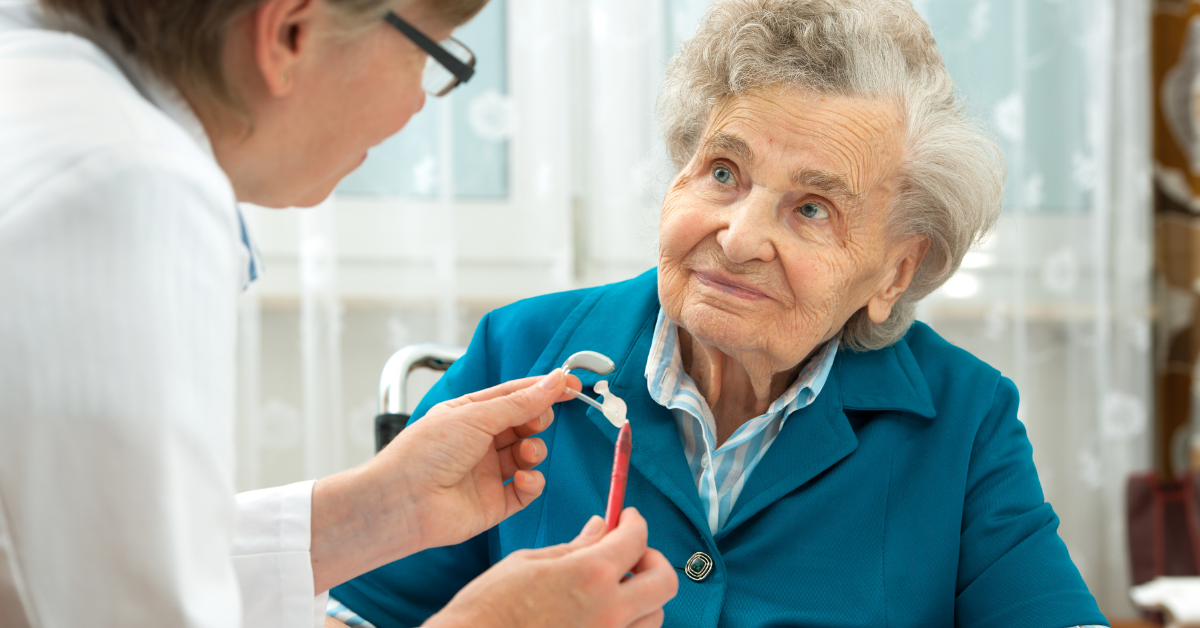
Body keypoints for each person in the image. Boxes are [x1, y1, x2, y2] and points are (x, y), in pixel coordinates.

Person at [328, 0, 1113, 626]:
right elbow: (363, 614)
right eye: (724, 171)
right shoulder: (522, 348)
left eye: (811, 209)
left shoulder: (963, 418)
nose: (738, 238)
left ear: (895, 270)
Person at [0, 0, 678, 626]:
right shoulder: (123, 188)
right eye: (431, 56)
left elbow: (86, 553)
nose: (419, 102)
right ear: (290, 32)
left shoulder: (57, 105)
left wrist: (381, 509)